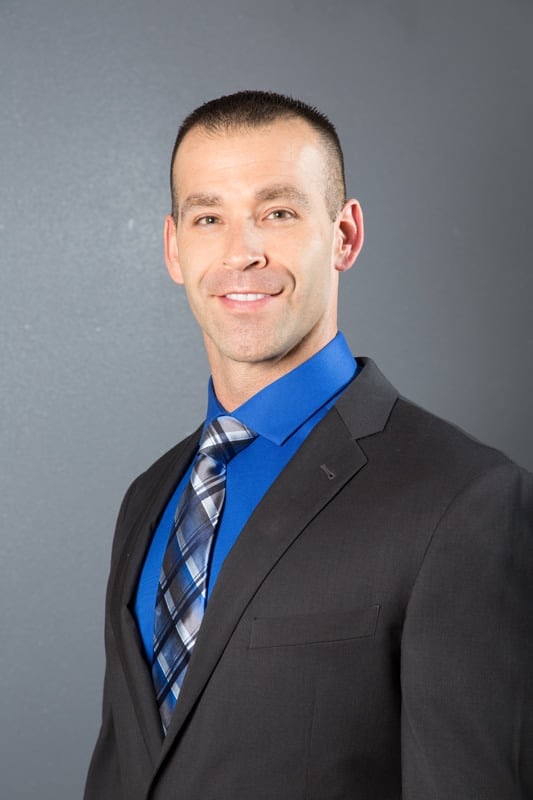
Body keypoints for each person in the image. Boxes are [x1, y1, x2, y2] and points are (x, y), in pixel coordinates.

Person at [84, 90, 533, 800]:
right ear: (174, 247)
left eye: (278, 213)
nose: (241, 253)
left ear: (345, 235)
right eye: (209, 218)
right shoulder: (149, 498)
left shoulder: (466, 502)